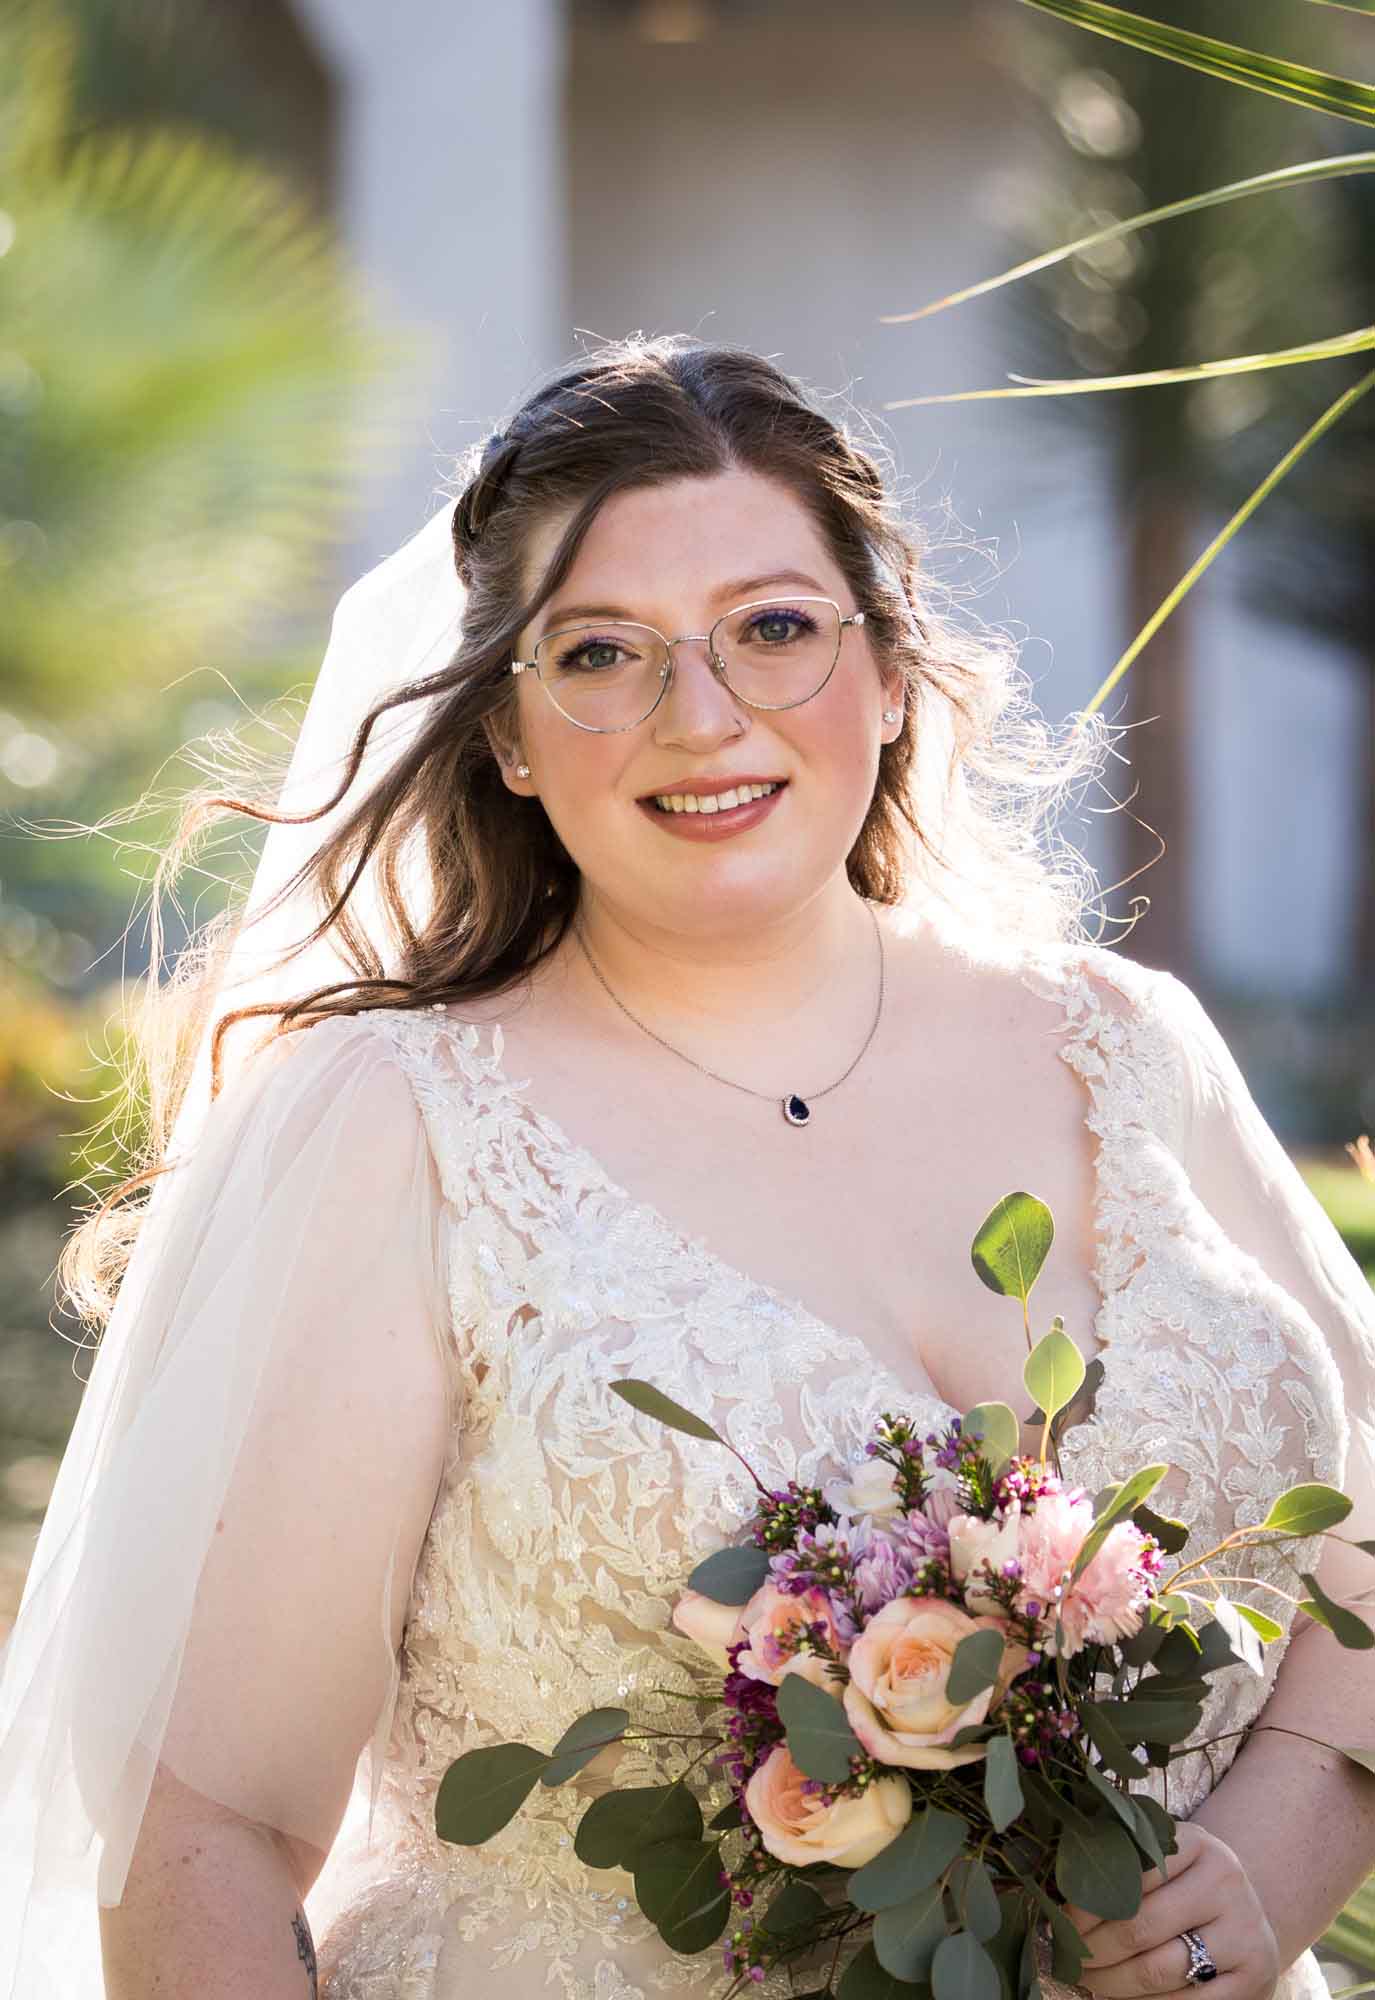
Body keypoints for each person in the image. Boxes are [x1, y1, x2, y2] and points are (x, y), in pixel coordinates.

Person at [1, 334, 1373, 2000]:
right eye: (602, 653)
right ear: (507, 732)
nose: (702, 717)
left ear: (885, 669)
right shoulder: (401, 1132)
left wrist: (1273, 1867)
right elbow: (201, 1821)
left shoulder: (1124, 1044)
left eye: (774, 630)